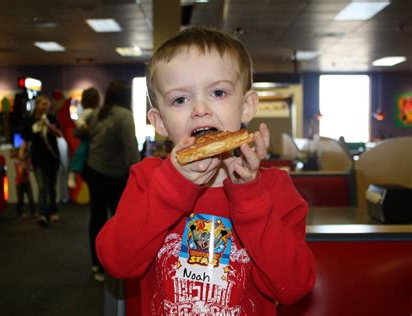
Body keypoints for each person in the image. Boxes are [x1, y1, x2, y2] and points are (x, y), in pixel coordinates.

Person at [96, 27, 316, 314]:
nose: (200, 108)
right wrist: (172, 186)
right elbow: (116, 261)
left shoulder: (274, 187)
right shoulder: (148, 178)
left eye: (218, 92)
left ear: (247, 106)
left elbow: (293, 286)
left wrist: (250, 197)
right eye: (180, 99)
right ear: (160, 122)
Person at [76, 80, 139, 281]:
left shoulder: (97, 114)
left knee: (97, 217)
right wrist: (138, 177)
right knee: (119, 220)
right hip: (115, 176)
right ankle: (116, 261)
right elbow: (131, 151)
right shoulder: (125, 116)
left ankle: (97, 264)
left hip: (94, 171)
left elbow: (78, 132)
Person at [20, 95, 62, 227]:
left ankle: (53, 211)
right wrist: (21, 151)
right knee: (42, 187)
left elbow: (59, 134)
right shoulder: (29, 121)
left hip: (53, 158)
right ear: (37, 105)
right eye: (43, 104)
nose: (45, 106)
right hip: (37, 158)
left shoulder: (52, 119)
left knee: (51, 187)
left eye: (46, 104)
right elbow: (26, 140)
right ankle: (42, 214)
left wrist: (49, 126)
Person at [67, 87, 101, 188]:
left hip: (91, 141)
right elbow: (79, 121)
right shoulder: (89, 112)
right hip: (89, 141)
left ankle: (73, 173)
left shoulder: (93, 112)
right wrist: (84, 127)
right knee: (80, 153)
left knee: (79, 154)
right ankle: (72, 174)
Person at [10, 147, 35, 218]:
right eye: (23, 153)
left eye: (25, 153)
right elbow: (21, 170)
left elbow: (31, 169)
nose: (24, 155)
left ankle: (33, 212)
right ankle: (19, 213)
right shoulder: (17, 161)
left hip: (26, 181)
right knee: (20, 199)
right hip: (19, 182)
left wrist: (28, 162)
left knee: (31, 197)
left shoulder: (26, 160)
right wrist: (24, 162)